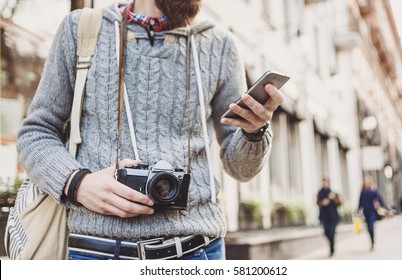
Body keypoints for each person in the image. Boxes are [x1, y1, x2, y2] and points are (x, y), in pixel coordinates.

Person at [16, 0, 284, 260]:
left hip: (199, 251)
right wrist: (77, 184)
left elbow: (241, 169)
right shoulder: (81, 29)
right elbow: (36, 131)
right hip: (97, 252)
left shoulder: (220, 46)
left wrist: (254, 132)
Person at [357, 177, 387, 251]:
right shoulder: (362, 192)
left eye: (368, 183)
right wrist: (358, 211)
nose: (366, 184)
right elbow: (360, 203)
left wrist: (385, 207)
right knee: (368, 228)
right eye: (365, 183)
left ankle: (373, 242)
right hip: (365, 212)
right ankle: (372, 241)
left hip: (372, 212)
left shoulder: (374, 191)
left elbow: (381, 199)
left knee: (371, 226)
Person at [316, 177, 341, 257]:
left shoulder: (333, 193)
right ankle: (331, 243)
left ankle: (332, 248)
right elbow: (317, 203)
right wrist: (322, 203)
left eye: (326, 182)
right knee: (326, 232)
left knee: (332, 232)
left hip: (333, 216)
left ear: (328, 183)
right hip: (324, 216)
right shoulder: (320, 193)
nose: (324, 184)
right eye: (323, 183)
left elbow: (339, 203)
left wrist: (333, 198)